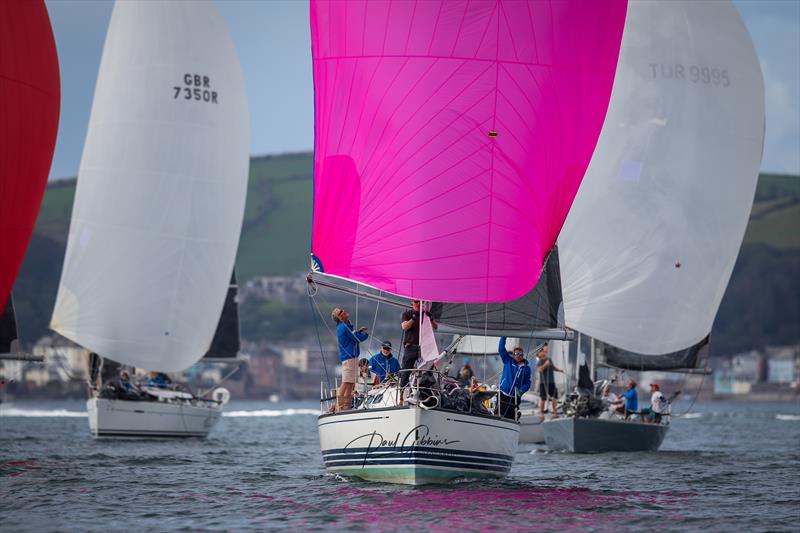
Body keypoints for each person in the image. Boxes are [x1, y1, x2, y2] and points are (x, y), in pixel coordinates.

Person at [332, 307, 368, 412]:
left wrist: (359, 331)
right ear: (339, 317)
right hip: (348, 358)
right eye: (341, 312)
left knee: (351, 383)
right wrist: (365, 334)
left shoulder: (346, 325)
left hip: (352, 357)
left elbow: (353, 335)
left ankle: (346, 406)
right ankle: (339, 406)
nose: (343, 311)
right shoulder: (344, 327)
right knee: (346, 382)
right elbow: (357, 337)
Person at [399, 299, 437, 390]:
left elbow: (435, 327)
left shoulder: (426, 315)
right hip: (411, 347)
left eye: (421, 302)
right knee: (406, 371)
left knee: (427, 371)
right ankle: (402, 392)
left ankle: (425, 392)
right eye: (416, 302)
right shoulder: (407, 314)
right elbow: (404, 327)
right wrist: (413, 318)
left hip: (424, 348)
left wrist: (431, 319)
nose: (419, 304)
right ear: (412, 303)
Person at [497, 337, 532, 420]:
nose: (519, 356)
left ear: (523, 356)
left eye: (521, 354)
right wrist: (503, 337)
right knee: (500, 415)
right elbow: (501, 349)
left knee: (511, 418)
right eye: (516, 353)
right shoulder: (508, 361)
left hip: (515, 397)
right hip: (503, 394)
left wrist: (521, 390)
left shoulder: (526, 368)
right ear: (513, 355)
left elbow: (528, 383)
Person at [535, 342, 563, 419]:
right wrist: (545, 365)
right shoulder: (540, 361)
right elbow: (540, 370)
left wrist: (559, 370)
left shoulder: (549, 359)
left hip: (551, 382)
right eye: (543, 350)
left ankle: (555, 412)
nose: (545, 350)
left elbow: (553, 367)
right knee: (543, 399)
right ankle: (541, 413)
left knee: (554, 397)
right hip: (543, 383)